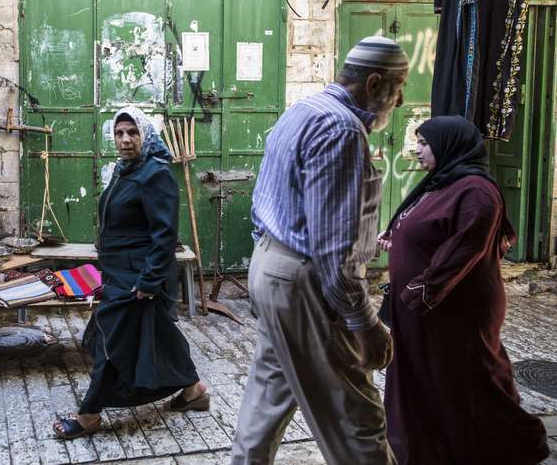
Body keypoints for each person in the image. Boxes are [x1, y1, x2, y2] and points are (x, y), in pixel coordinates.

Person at [232, 36, 409, 465]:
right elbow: (334, 249)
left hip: (272, 267)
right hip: (305, 282)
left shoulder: (303, 111)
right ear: (373, 83)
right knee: (356, 422)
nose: (400, 101)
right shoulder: (341, 128)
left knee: (267, 401)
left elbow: (264, 200)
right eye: (398, 88)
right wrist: (364, 323)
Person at [378, 116, 548, 465]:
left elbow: (465, 247)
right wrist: (398, 238)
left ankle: (513, 441)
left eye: (424, 143)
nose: (418, 149)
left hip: (455, 306)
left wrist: (420, 290)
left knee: (469, 377)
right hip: (426, 304)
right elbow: (429, 228)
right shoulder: (442, 183)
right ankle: (433, 447)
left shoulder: (477, 191)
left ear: (448, 145)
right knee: (429, 376)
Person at [53, 106, 208, 440]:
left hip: (138, 275)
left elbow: (164, 234)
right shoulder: (126, 170)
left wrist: (150, 280)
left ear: (145, 135)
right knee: (160, 332)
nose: (125, 140)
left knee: (113, 340)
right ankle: (194, 389)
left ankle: (89, 414)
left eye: (132, 133)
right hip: (118, 270)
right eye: (119, 133)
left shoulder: (156, 174)